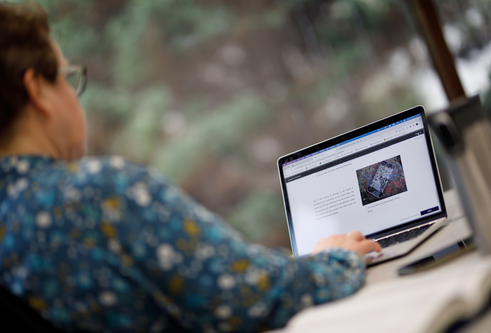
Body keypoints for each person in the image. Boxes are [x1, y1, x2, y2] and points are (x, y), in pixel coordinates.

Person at [0, 2, 381, 332]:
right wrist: (337, 257)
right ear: (36, 89)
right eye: (66, 78)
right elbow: (251, 296)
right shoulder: (98, 195)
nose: (73, 95)